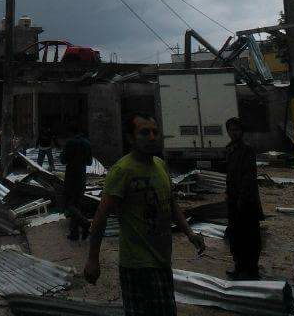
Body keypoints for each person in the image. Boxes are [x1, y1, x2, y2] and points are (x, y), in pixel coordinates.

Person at [84, 113, 205, 316]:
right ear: (130, 138)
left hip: (162, 261)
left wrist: (190, 233)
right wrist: (93, 259)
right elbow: (101, 217)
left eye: (155, 132)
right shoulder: (122, 170)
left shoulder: (160, 165)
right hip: (137, 266)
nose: (152, 137)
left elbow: (171, 204)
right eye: (144, 132)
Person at [225, 117, 262, 280]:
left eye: (237, 130)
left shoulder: (247, 150)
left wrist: (242, 198)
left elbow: (248, 177)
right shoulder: (229, 149)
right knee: (235, 236)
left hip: (247, 201)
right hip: (233, 200)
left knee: (250, 236)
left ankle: (251, 270)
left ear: (242, 131)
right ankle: (239, 267)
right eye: (231, 130)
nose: (234, 133)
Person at [61, 127, 93, 240]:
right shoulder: (87, 144)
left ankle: (84, 223)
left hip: (71, 175)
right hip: (81, 175)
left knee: (68, 204)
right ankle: (74, 233)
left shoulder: (69, 143)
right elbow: (90, 162)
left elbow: (63, 160)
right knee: (77, 203)